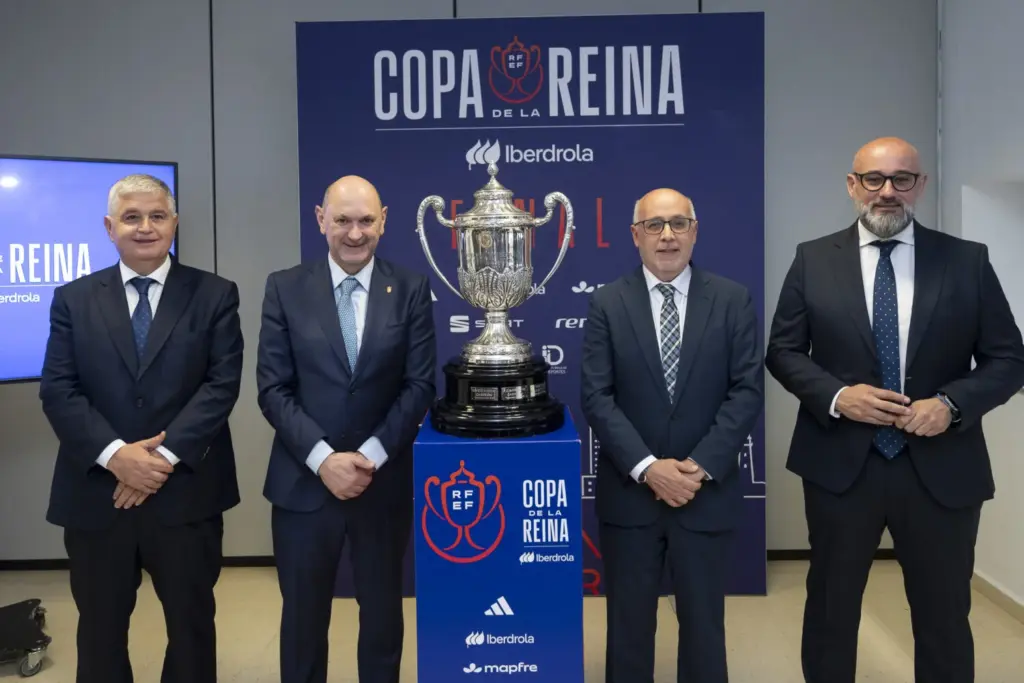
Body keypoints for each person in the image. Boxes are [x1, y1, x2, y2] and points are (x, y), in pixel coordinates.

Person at [766, 136, 1024, 683]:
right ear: (852, 185)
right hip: (840, 468)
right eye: (874, 179)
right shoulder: (812, 258)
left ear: (920, 185)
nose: (887, 192)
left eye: (901, 179)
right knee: (831, 612)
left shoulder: (966, 260)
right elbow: (783, 351)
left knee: (945, 617)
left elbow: (1008, 359)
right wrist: (838, 396)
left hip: (942, 468)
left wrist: (952, 405)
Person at [38, 174, 244, 683]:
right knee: (100, 631)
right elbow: (59, 390)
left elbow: (221, 386)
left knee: (192, 628)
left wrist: (157, 462)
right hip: (97, 496)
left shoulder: (215, 294)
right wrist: (115, 456)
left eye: (157, 216)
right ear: (110, 227)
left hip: (186, 494)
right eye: (132, 217)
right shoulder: (73, 299)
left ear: (174, 223)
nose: (145, 227)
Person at [256, 175, 436, 683]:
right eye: (342, 220)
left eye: (365, 221)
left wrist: (370, 456)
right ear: (320, 220)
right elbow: (273, 388)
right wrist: (324, 460)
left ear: (383, 221)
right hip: (303, 484)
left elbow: (419, 385)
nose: (354, 233)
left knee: (382, 619)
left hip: (381, 484)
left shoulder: (410, 289)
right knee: (303, 621)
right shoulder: (285, 288)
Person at [580, 188, 764, 683]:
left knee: (705, 628)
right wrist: (648, 468)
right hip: (631, 497)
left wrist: (697, 468)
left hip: (704, 493)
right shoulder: (606, 303)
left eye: (679, 224)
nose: (667, 236)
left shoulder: (731, 299)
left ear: (695, 231)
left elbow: (745, 392)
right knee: (628, 630)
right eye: (655, 225)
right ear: (635, 236)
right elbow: (597, 397)